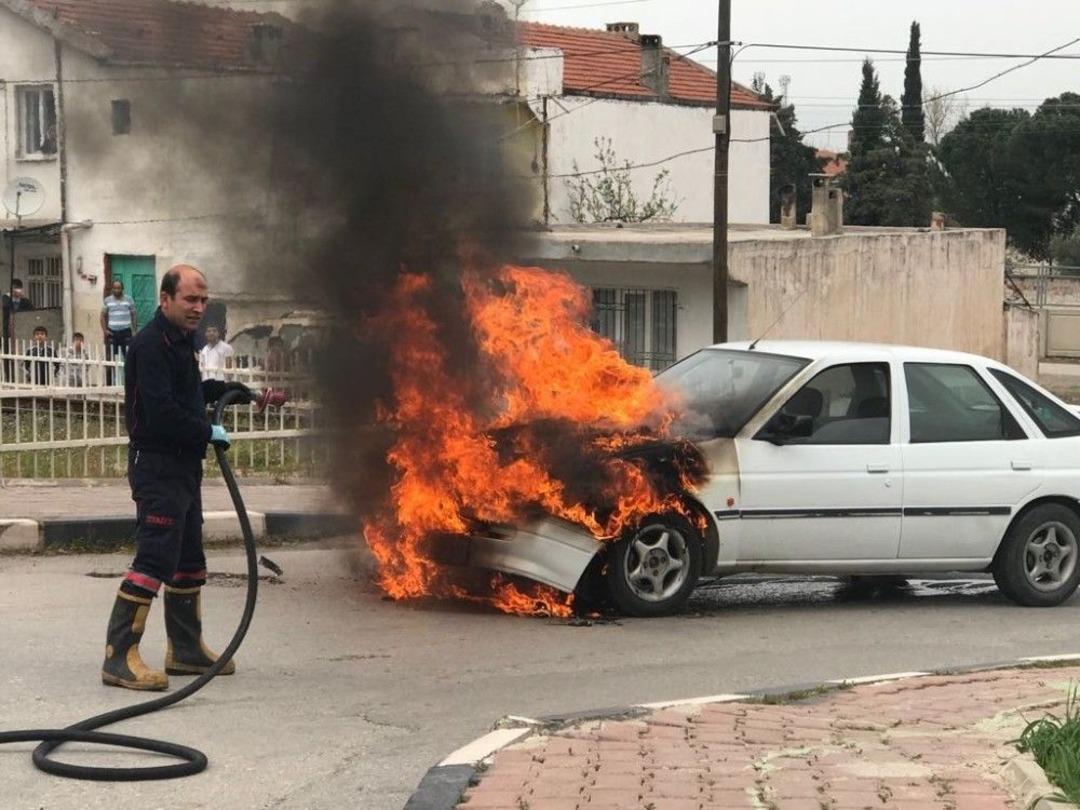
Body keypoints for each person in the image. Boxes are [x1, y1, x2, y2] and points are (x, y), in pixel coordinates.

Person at [101, 265, 246, 691]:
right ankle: (117, 658)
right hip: (158, 466)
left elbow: (185, 395)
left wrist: (225, 391)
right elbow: (162, 413)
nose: (199, 308)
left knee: (188, 561)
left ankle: (184, 650)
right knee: (154, 560)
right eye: (190, 300)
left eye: (203, 301)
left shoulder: (182, 342)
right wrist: (207, 431)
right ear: (165, 299)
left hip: (183, 466)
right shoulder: (149, 346)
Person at [101, 280, 137, 386]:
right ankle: (111, 384)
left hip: (126, 332)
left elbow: (134, 315)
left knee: (129, 358)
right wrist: (105, 330)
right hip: (112, 333)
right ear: (112, 289)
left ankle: (130, 383)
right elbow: (102, 316)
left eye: (119, 288)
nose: (117, 290)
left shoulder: (129, 300)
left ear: (122, 289)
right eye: (115, 288)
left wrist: (134, 331)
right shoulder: (108, 300)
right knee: (111, 359)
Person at [2, 278, 33, 382]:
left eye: (19, 288)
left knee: (21, 355)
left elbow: (31, 312)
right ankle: (8, 377)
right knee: (6, 354)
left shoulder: (25, 301)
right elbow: (5, 308)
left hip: (21, 333)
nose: (17, 291)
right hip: (7, 332)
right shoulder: (5, 299)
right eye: (15, 288)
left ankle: (23, 376)